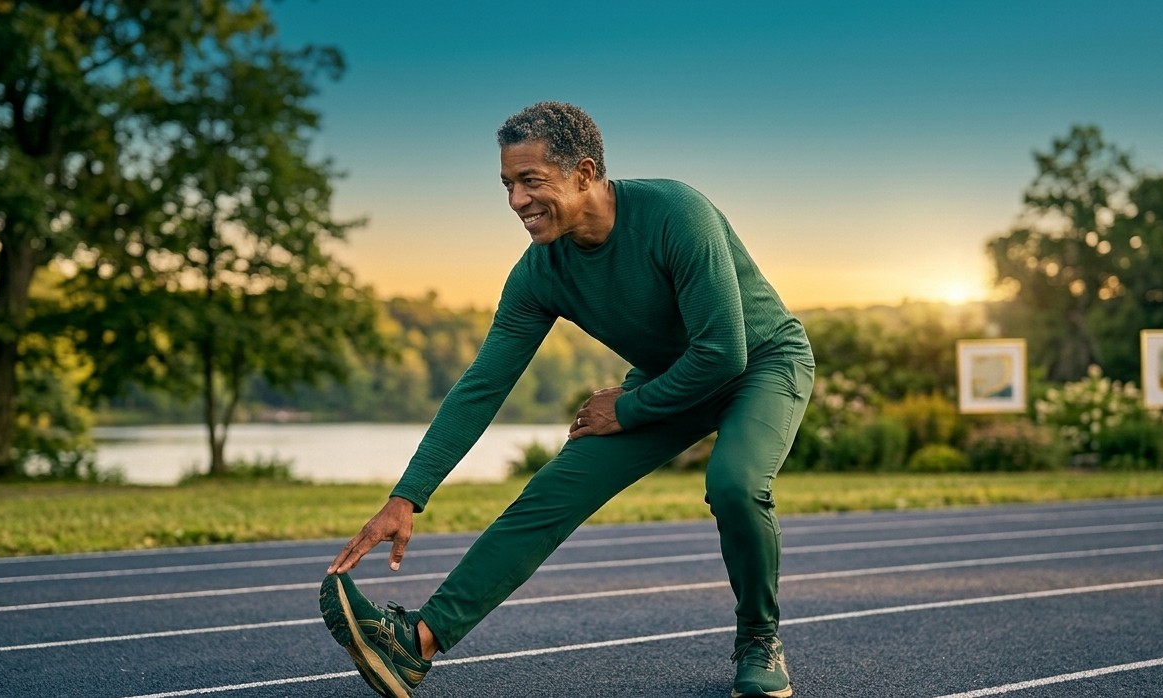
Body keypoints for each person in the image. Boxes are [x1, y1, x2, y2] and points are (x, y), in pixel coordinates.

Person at [318, 101, 814, 698]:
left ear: (584, 173)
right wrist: (407, 495)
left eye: (531, 180)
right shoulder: (539, 274)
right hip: (671, 378)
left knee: (734, 483)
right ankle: (413, 645)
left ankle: (759, 640)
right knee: (550, 493)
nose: (517, 200)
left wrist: (624, 409)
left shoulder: (677, 214)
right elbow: (482, 386)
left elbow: (723, 354)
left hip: (761, 362)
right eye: (507, 185)